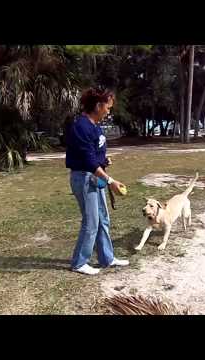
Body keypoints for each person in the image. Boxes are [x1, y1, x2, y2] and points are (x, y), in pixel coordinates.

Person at [66, 88, 129, 275]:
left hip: (94, 176)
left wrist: (104, 161)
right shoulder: (81, 126)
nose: (109, 111)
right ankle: (79, 263)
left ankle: (107, 258)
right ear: (98, 105)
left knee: (103, 219)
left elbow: (94, 155)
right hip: (84, 178)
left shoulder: (95, 126)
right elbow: (87, 160)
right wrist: (110, 181)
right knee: (91, 221)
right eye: (107, 107)